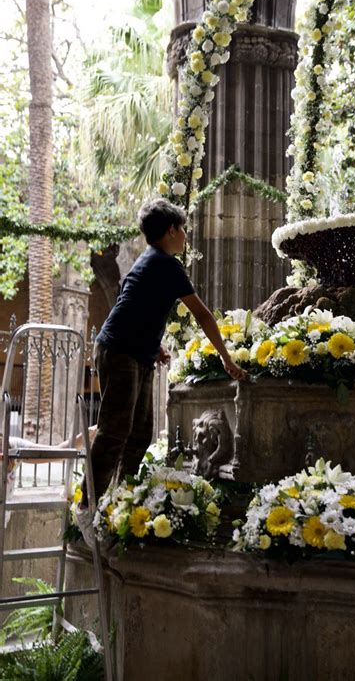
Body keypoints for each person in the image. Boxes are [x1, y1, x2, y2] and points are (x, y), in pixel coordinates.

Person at [76, 198, 247, 546]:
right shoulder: (166, 264)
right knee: (115, 432)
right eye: (182, 229)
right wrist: (228, 360)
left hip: (135, 352)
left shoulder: (151, 262)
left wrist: (154, 346)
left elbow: (135, 304)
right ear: (171, 231)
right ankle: (86, 507)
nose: (185, 236)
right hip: (120, 351)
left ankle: (117, 498)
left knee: (140, 433)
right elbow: (203, 315)